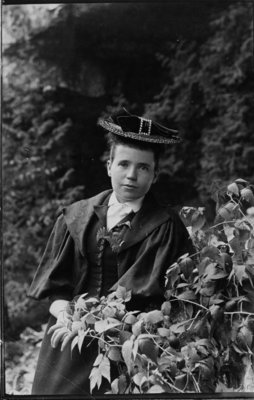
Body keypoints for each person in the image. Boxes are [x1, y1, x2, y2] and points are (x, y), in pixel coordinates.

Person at [27, 108, 194, 395]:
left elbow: (179, 300)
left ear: (155, 175)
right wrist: (67, 317)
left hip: (133, 348)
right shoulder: (76, 217)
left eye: (143, 168)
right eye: (124, 164)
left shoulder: (167, 226)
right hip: (71, 341)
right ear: (108, 166)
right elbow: (57, 289)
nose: (131, 176)